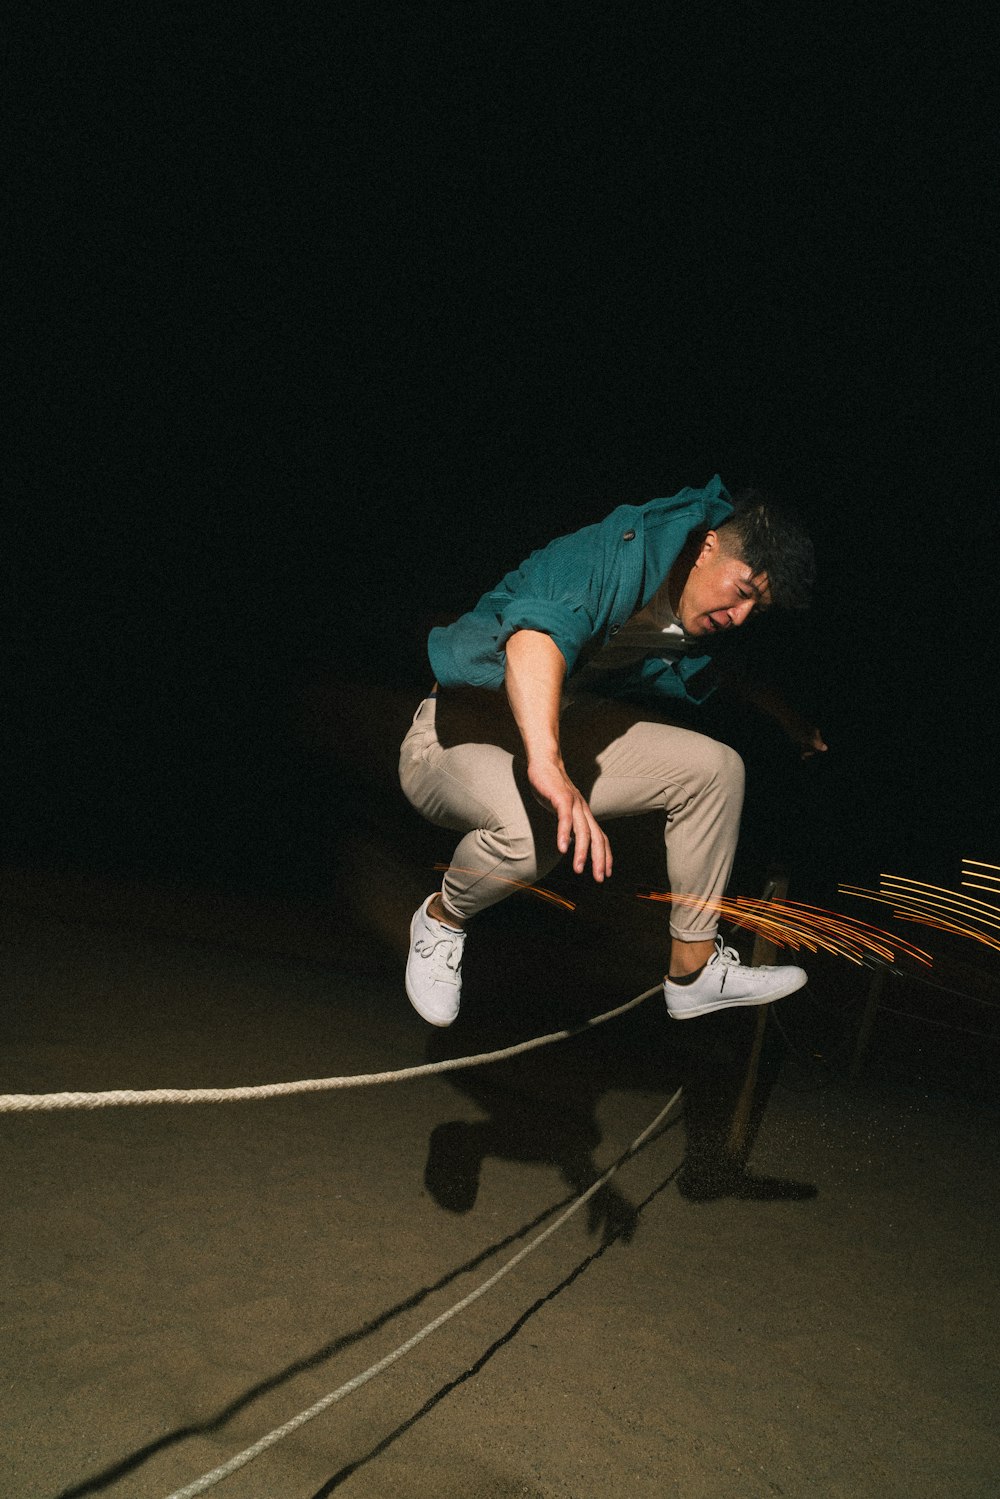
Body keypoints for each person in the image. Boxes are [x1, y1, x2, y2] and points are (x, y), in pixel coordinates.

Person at [398, 475, 826, 1028]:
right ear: (707, 545)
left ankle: (692, 971)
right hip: (453, 732)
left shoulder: (693, 624)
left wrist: (791, 722)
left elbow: (733, 677)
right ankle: (442, 919)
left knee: (716, 769)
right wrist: (548, 766)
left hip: (559, 727)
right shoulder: (617, 550)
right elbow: (536, 638)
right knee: (532, 840)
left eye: (756, 610)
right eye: (742, 592)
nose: (740, 617)